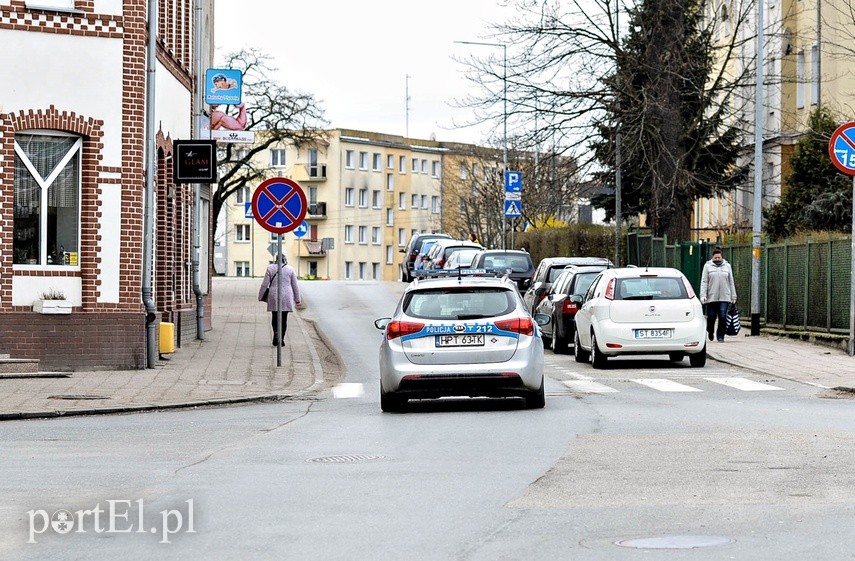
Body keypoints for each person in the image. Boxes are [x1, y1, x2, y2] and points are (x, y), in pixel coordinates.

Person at [258, 253, 301, 346]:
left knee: (275, 316)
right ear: (285, 259)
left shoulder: (270, 268)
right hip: (287, 296)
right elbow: (295, 286)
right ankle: (281, 338)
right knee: (284, 318)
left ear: (276, 259)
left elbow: (265, 284)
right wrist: (297, 299)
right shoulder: (290, 269)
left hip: (274, 295)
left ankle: (276, 334)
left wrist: (260, 296)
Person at [700, 247, 737, 343]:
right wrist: (703, 295)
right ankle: (710, 330)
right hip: (711, 296)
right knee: (711, 317)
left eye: (719, 257)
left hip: (724, 296)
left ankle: (721, 335)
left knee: (722, 316)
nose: (717, 259)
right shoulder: (707, 266)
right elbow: (704, 281)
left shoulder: (727, 266)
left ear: (722, 257)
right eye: (715, 258)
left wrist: (733, 296)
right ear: (712, 257)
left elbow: (731, 281)